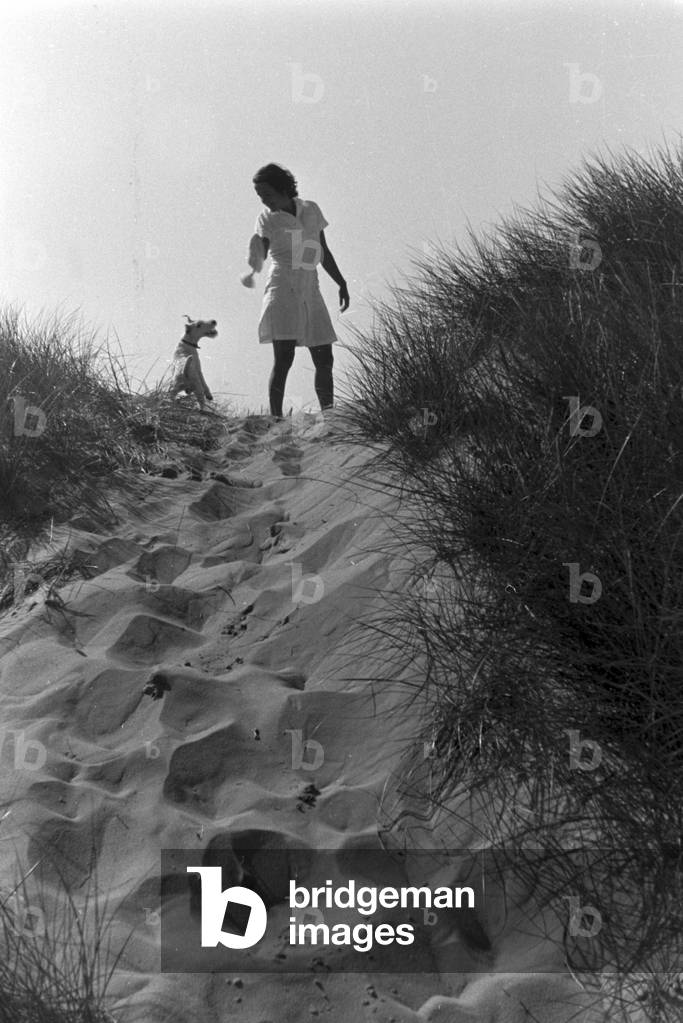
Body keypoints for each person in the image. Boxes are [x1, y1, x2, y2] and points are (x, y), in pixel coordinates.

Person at [241, 163, 349, 419]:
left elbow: (322, 251)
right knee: (284, 357)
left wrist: (341, 282)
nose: (264, 200)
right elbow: (263, 250)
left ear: (281, 188)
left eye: (266, 193)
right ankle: (276, 419)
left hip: (311, 287)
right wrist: (255, 255)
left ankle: (329, 416)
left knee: (324, 356)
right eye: (259, 196)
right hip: (282, 286)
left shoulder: (310, 209)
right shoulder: (267, 218)